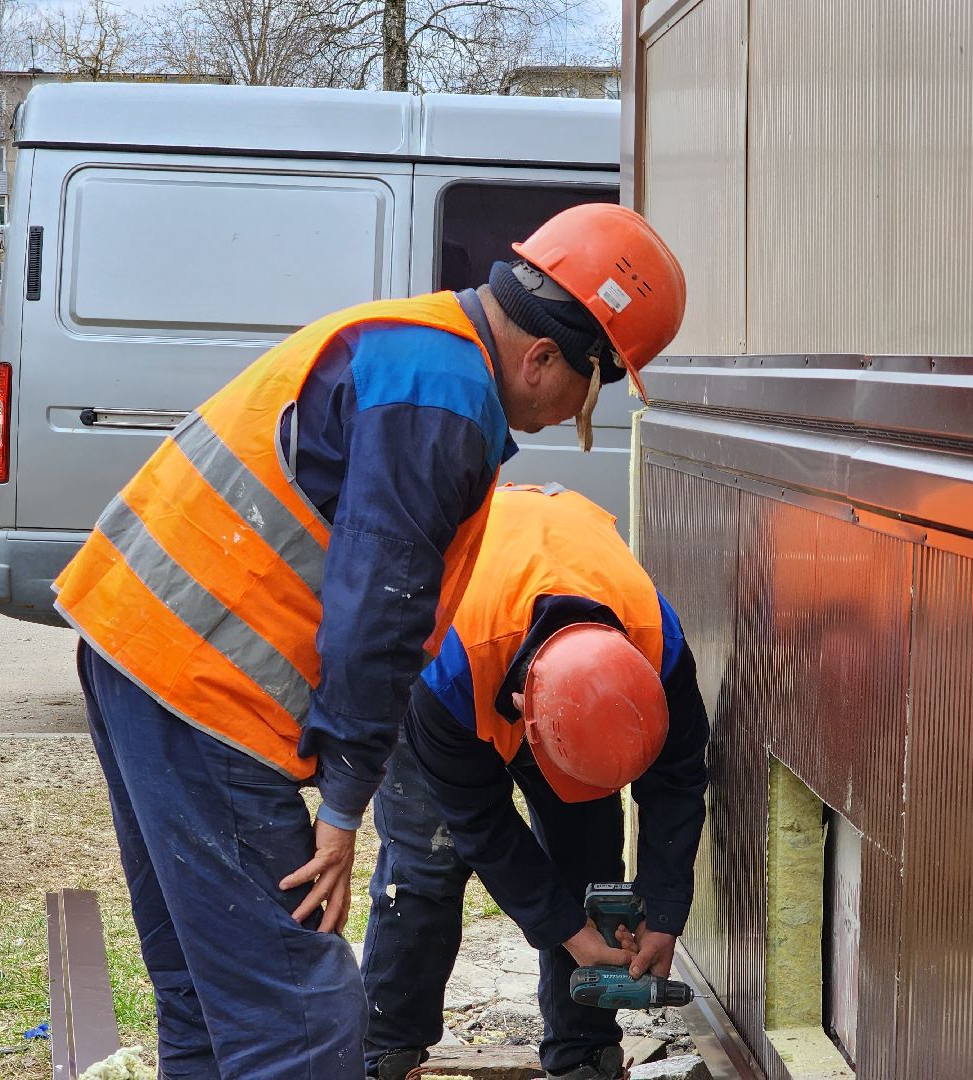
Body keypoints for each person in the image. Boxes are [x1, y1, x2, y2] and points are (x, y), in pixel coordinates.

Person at [53, 204, 686, 1079]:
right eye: (600, 382)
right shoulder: (443, 397)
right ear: (544, 356)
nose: (587, 409)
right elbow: (378, 609)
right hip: (206, 683)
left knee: (209, 997)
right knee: (302, 1021)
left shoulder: (418, 353)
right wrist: (346, 808)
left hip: (137, 642)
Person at [360, 484, 710, 1080]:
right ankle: (387, 1051)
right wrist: (567, 932)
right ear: (524, 708)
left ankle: (584, 1056)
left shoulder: (660, 647)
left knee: (588, 863)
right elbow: (482, 824)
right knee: (425, 865)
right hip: (455, 659)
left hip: (548, 628)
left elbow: (677, 783)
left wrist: (667, 910)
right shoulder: (449, 662)